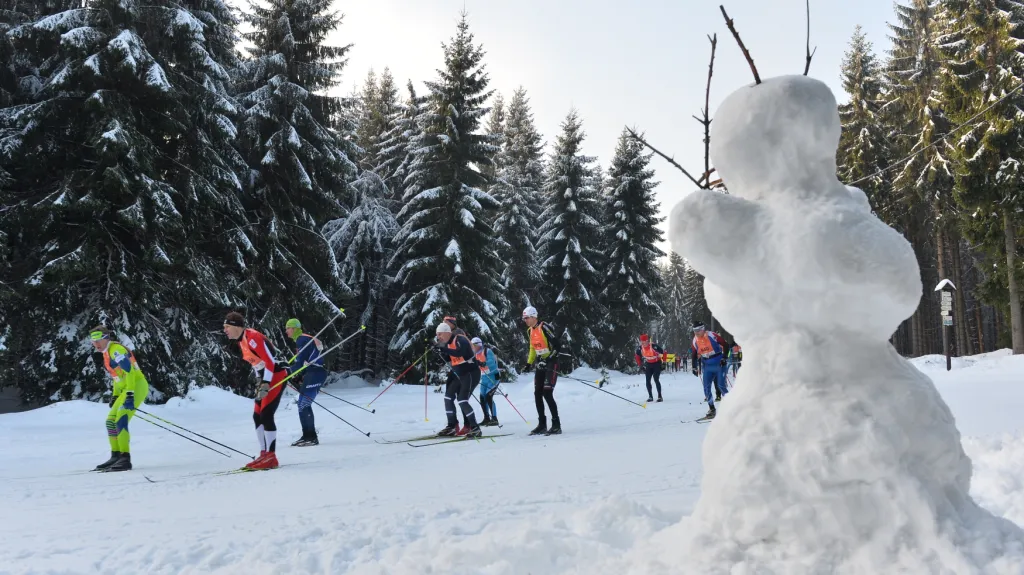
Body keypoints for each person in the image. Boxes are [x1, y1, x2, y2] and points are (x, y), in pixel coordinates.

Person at [223, 312, 287, 469]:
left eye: (227, 327)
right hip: (265, 378)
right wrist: (260, 381)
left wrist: (265, 383)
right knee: (257, 415)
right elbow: (257, 365)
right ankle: (264, 454)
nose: (225, 330)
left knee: (266, 413)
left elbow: (270, 362)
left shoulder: (253, 337)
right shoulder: (242, 341)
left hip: (275, 376)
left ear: (236, 326)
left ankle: (271, 457)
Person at [91, 326, 149, 472]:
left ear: (106, 339)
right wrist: (116, 394)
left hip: (136, 386)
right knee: (110, 422)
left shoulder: (116, 350)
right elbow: (117, 377)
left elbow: (129, 373)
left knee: (120, 420)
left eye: (98, 340)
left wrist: (129, 394)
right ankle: (115, 455)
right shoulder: (106, 353)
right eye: (93, 341)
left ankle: (125, 458)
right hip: (125, 389)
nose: (96, 344)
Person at [434, 323, 482, 438]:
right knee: (448, 397)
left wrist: (443, 348)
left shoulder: (460, 339)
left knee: (462, 400)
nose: (439, 337)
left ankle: (475, 428)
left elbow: (460, 352)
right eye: (437, 335)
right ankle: (452, 426)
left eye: (440, 334)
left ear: (447, 332)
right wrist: (439, 352)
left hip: (471, 373)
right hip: (459, 374)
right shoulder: (447, 344)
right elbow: (448, 358)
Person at [284, 318, 326, 447]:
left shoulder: (302, 339)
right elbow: (305, 360)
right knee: (302, 404)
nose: (286, 331)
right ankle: (307, 435)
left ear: (294, 328)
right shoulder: (303, 339)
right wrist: (299, 374)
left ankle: (311, 437)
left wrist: (287, 371)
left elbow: (300, 361)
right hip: (312, 373)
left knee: (304, 404)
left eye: (288, 328)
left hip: (316, 373)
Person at [522, 306, 561, 435]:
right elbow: (532, 348)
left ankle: (556, 425)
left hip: (551, 361)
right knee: (537, 393)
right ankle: (542, 424)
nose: (525, 320)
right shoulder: (530, 331)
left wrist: (548, 358)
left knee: (547, 392)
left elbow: (557, 345)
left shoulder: (544, 327)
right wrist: (528, 364)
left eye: (527, 318)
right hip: (541, 363)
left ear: (534, 317)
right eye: (524, 318)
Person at [690, 322, 728, 419]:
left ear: (703, 329)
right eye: (695, 331)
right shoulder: (695, 340)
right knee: (706, 388)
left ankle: (732, 407)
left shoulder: (712, 335)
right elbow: (694, 354)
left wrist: (724, 358)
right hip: (707, 365)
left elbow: (725, 344)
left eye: (699, 330)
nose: (697, 332)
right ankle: (712, 409)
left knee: (721, 386)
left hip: (719, 364)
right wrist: (694, 367)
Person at [472, 337, 500, 426]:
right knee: (482, 397)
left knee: (489, 396)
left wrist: (484, 363)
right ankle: (487, 418)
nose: (473, 348)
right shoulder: (475, 354)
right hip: (484, 378)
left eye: (475, 346)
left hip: (493, 377)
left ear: (479, 345)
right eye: (472, 346)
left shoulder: (487, 351)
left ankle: (494, 419)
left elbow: (492, 362)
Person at [634, 334, 665, 403]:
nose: (643, 344)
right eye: (641, 342)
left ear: (647, 341)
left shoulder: (653, 346)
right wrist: (641, 365)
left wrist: (664, 363)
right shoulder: (640, 348)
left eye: (644, 342)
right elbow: (637, 356)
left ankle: (660, 396)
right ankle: (650, 396)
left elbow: (664, 352)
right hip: (648, 364)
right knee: (647, 380)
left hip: (657, 363)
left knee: (656, 379)